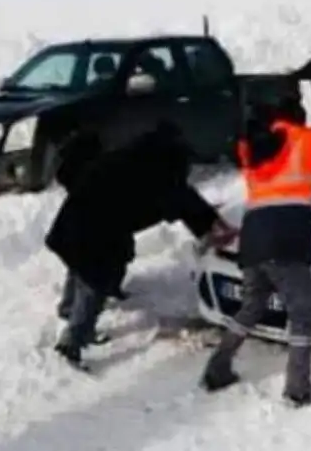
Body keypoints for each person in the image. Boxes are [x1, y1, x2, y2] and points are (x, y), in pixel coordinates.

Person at [199, 99, 311, 406]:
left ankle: (217, 368)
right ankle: (298, 389)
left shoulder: (255, 148)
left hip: (254, 238)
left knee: (250, 307)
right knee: (303, 314)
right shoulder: (303, 141)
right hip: (285, 239)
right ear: (298, 119)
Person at [45, 122, 237, 366]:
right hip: (95, 232)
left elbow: (184, 199)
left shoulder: (132, 159)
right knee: (95, 283)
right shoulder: (158, 174)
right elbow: (183, 200)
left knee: (80, 267)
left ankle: (68, 309)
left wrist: (210, 219)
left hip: (71, 225)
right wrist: (213, 227)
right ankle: (71, 343)